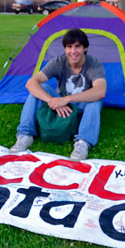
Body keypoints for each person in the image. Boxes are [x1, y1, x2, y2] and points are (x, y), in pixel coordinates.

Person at [9, 28, 106, 160]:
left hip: (82, 106)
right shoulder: (59, 62)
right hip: (61, 103)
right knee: (39, 87)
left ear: (85, 48)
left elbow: (100, 90)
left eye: (77, 46)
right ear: (65, 49)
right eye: (69, 47)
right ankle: (25, 135)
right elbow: (31, 83)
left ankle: (83, 143)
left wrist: (66, 99)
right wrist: (51, 100)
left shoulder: (94, 64)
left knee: (95, 99)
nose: (73, 51)